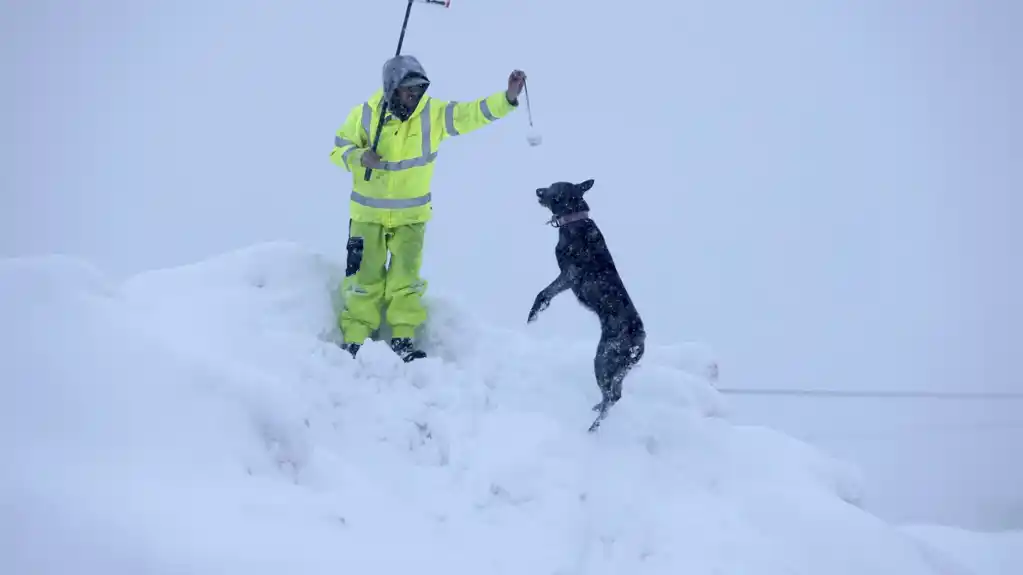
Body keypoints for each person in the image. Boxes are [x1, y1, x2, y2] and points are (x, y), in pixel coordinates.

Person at [330, 54, 527, 362]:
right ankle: (355, 340)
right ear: (392, 88)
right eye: (408, 89)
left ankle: (402, 339)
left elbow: (471, 114)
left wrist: (508, 98)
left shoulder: (433, 114)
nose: (415, 95)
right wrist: (359, 158)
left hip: (411, 218)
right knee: (363, 281)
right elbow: (338, 149)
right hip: (367, 217)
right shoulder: (366, 115)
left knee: (405, 282)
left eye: (419, 89)